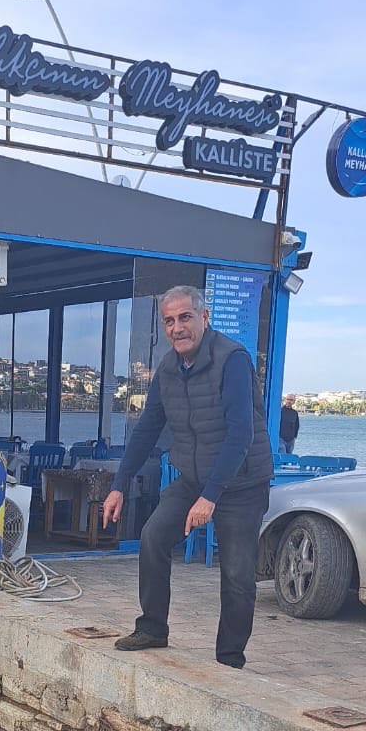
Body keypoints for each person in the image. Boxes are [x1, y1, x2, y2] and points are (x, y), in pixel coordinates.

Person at [101, 286, 273, 668]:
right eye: (169, 321)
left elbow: (240, 433)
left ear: (204, 317)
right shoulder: (168, 368)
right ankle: (152, 628)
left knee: (237, 573)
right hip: (194, 477)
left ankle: (229, 659)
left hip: (242, 483)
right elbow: (147, 429)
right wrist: (119, 485)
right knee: (153, 536)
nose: (177, 328)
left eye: (185, 317)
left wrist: (211, 496)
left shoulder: (232, 359)